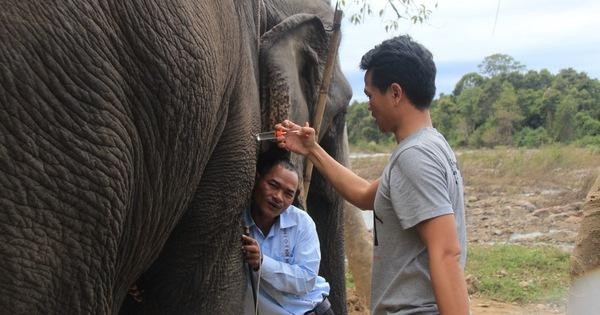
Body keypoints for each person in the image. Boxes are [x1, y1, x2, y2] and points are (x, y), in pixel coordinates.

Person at [275, 35, 469, 315]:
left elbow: (446, 253)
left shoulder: (416, 157)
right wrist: (311, 149)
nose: (368, 106)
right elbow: (366, 195)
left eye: (370, 95)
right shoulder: (431, 146)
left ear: (395, 93)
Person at [241, 156, 334, 315]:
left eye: (288, 194)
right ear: (257, 179)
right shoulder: (236, 223)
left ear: (294, 197)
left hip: (313, 311)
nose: (278, 197)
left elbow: (307, 279)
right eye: (273, 185)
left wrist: (262, 263)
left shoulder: (302, 223)